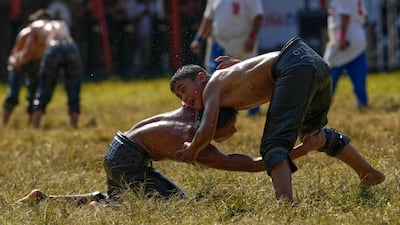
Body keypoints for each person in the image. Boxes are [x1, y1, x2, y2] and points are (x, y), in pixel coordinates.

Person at [170, 37, 385, 204]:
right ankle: (369, 174)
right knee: (314, 135)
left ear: (200, 78)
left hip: (294, 65)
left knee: (274, 145)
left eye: (183, 90)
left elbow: (206, 130)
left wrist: (192, 150)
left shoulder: (212, 86)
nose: (185, 99)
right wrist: (241, 65)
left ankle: (286, 208)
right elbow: (255, 71)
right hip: (314, 63)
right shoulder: (227, 80)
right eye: (180, 98)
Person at [13, 105, 325, 206]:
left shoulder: (190, 111)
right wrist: (305, 148)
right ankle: (98, 212)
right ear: (216, 123)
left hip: (118, 147)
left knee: (119, 199)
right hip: (130, 159)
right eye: (230, 128)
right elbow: (252, 165)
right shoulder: (194, 142)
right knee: (178, 202)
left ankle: (48, 199)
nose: (233, 133)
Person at [10, 9, 82, 128]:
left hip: (53, 48)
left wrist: (15, 62)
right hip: (71, 47)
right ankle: (74, 125)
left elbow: (27, 52)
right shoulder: (60, 23)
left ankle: (35, 126)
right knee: (73, 88)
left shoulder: (34, 26)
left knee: (44, 87)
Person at [190, 0, 264, 116]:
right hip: (220, 43)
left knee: (249, 77)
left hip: (243, 43)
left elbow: (258, 16)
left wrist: (252, 37)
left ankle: (253, 111)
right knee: (214, 78)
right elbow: (208, 18)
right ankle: (218, 113)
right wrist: (199, 39)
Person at [323, 0, 369, 109]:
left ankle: (322, 105)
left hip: (345, 38)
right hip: (357, 35)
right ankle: (362, 102)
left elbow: (345, 14)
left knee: (327, 72)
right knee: (358, 73)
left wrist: (342, 37)